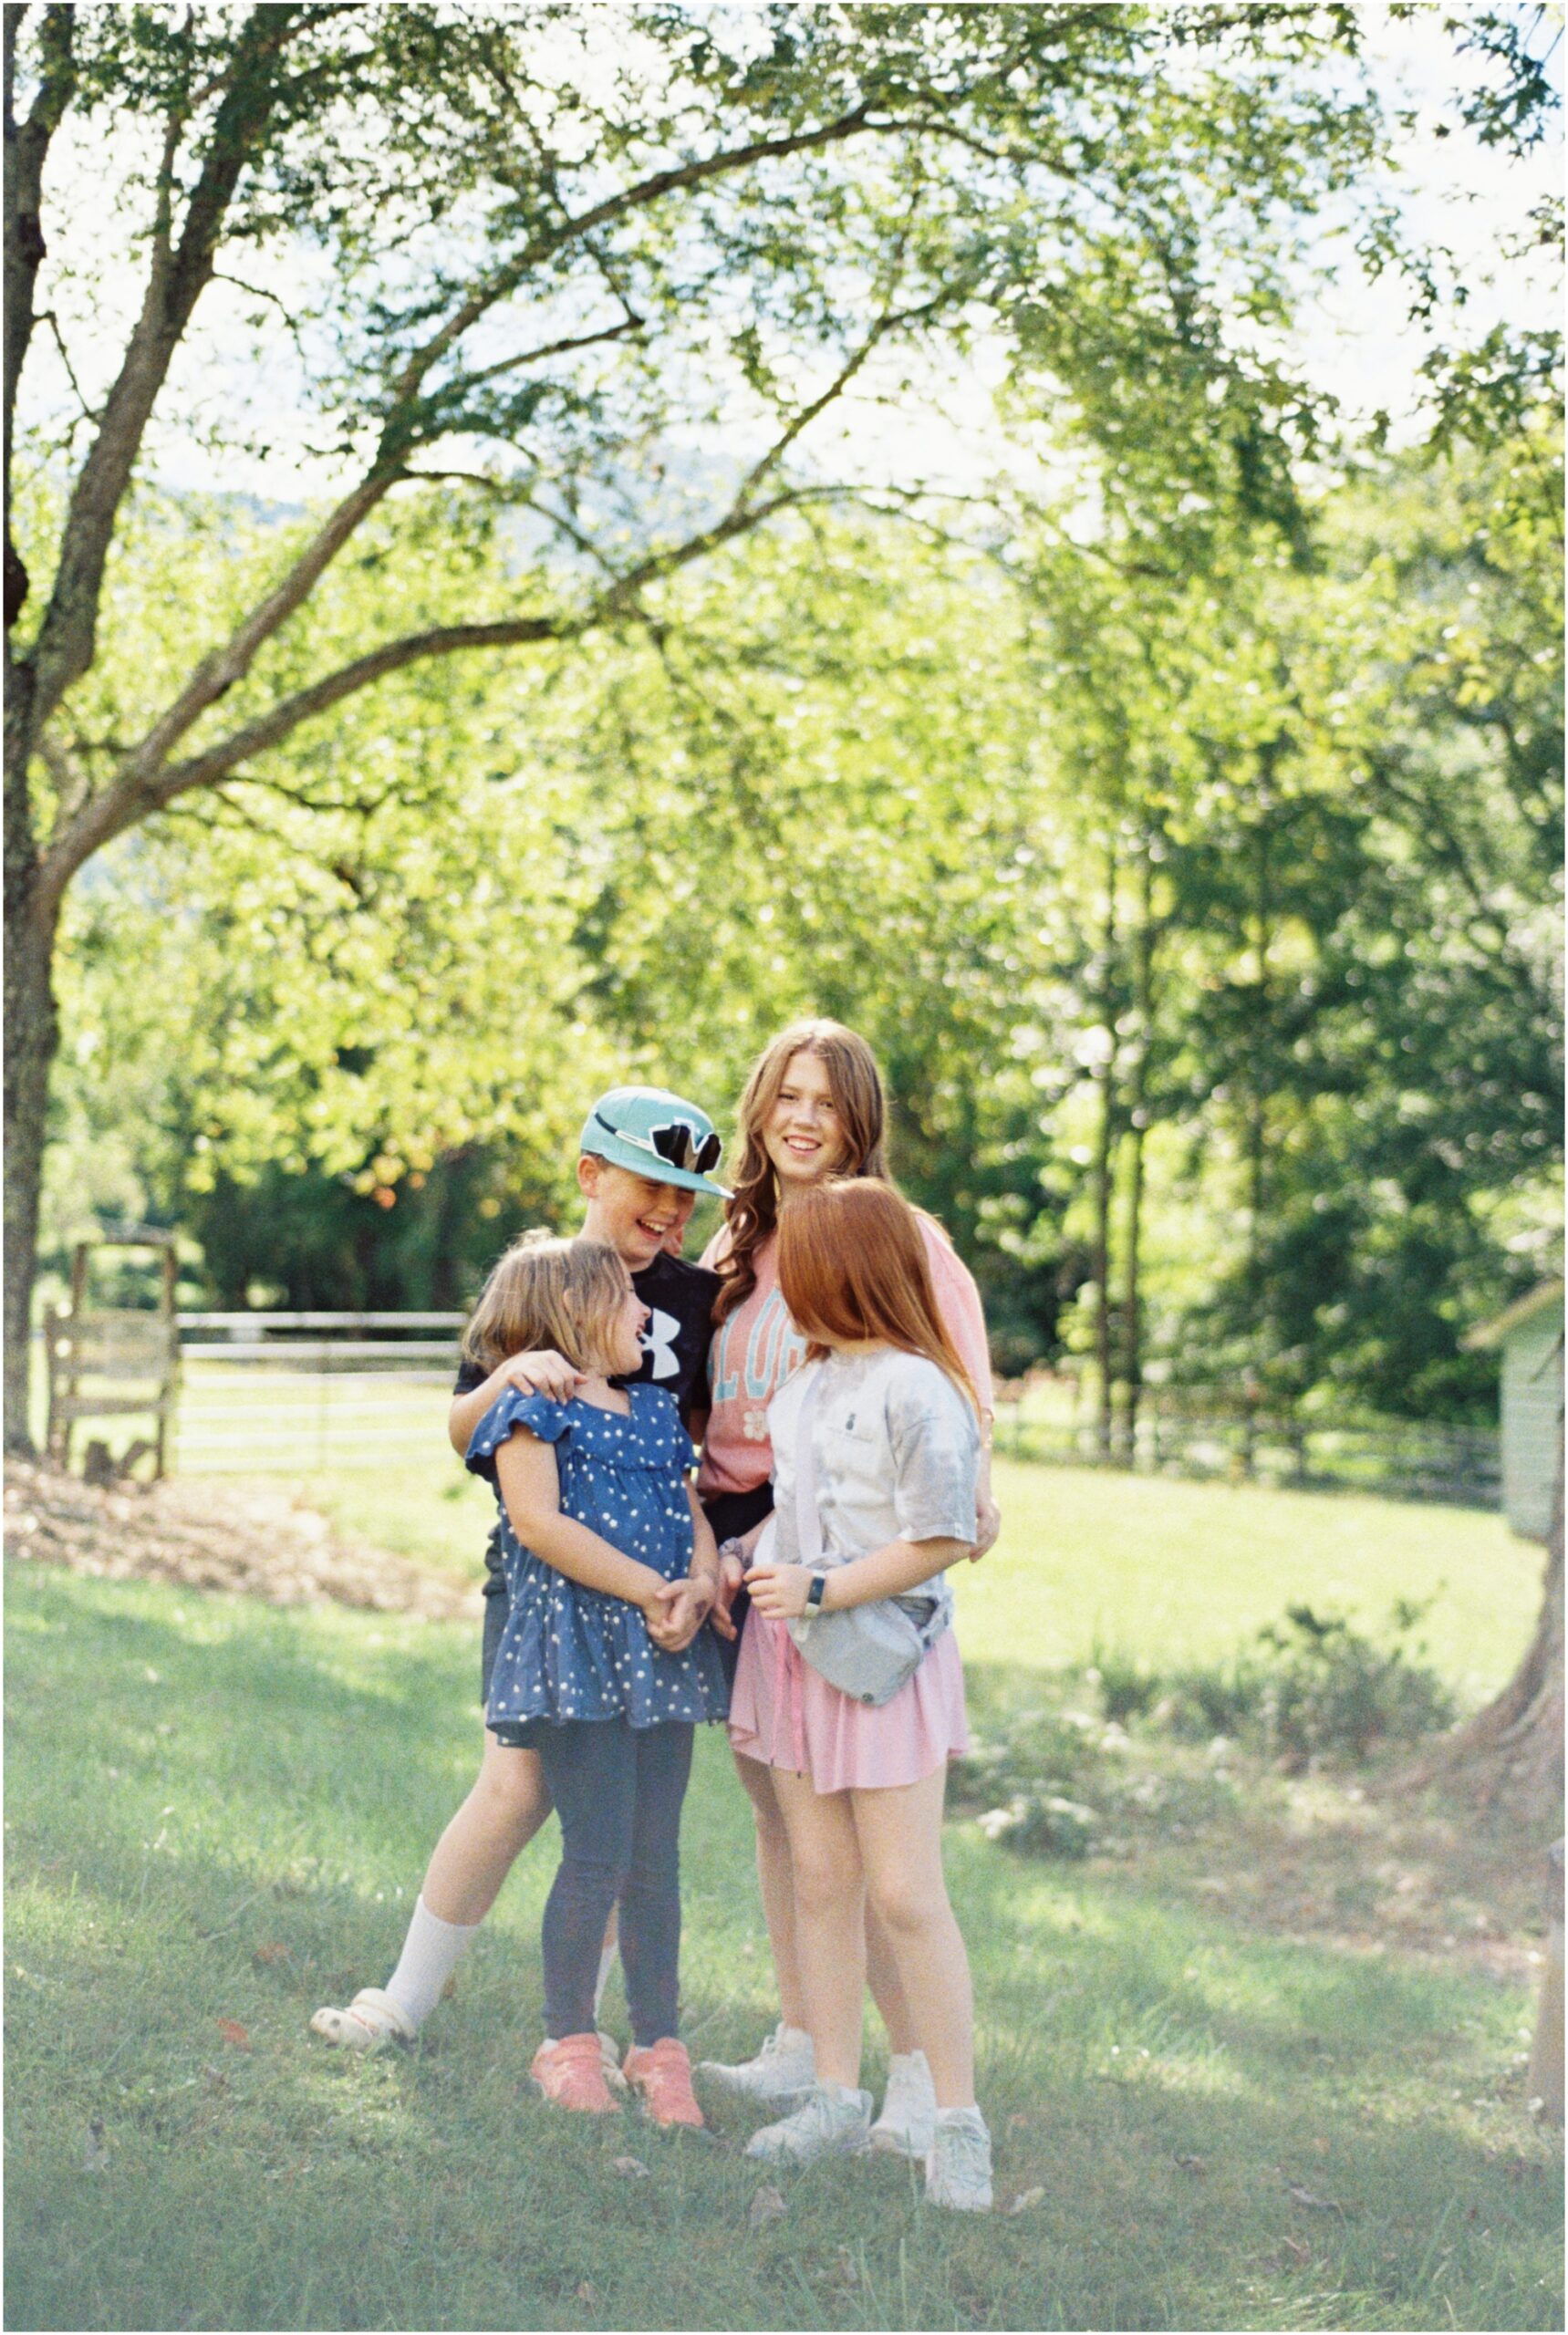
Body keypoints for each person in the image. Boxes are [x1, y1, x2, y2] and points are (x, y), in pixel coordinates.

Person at [309, 1085, 726, 2059]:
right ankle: (405, 1996)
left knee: (630, 1817)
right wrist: (506, 1376)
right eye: (652, 1188)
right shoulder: (538, 1280)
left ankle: (609, 2026)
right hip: (548, 1586)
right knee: (515, 1787)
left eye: (687, 1199)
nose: (670, 1213)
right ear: (592, 1174)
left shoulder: (696, 1298)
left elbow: (692, 1443)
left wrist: (697, 1570)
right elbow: (467, 1428)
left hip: (660, 1582)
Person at [692, 1019, 999, 2166]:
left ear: (859, 1118)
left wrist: (974, 1503)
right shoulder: (741, 1242)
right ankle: (809, 2041)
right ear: (762, 1106)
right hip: (751, 1548)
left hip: (859, 1560)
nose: (803, 1117)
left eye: (827, 1099)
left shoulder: (893, 1235)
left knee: (880, 1856)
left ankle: (917, 2075)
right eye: (787, 1094)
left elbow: (952, 1384)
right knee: (787, 1826)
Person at [736, 1177, 992, 2208]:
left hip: (884, 1666)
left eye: (798, 1269)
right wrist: (743, 1557)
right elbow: (800, 1515)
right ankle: (836, 2096)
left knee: (903, 1892)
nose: (781, 1288)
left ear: (845, 1272)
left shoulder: (920, 1389)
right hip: (796, 1657)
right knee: (823, 1880)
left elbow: (942, 1538)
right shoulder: (803, 1391)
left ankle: (957, 2120)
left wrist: (823, 1587)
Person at [462, 1232, 729, 2122]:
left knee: (656, 1860)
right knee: (598, 1851)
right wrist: (649, 1589)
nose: (650, 1316)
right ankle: (567, 2040)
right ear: (574, 1313)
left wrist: (695, 1582)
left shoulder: (654, 1412)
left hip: (662, 1654)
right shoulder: (534, 1409)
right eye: (628, 1301)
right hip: (579, 1659)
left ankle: (660, 2043)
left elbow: (688, 1508)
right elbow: (537, 1524)